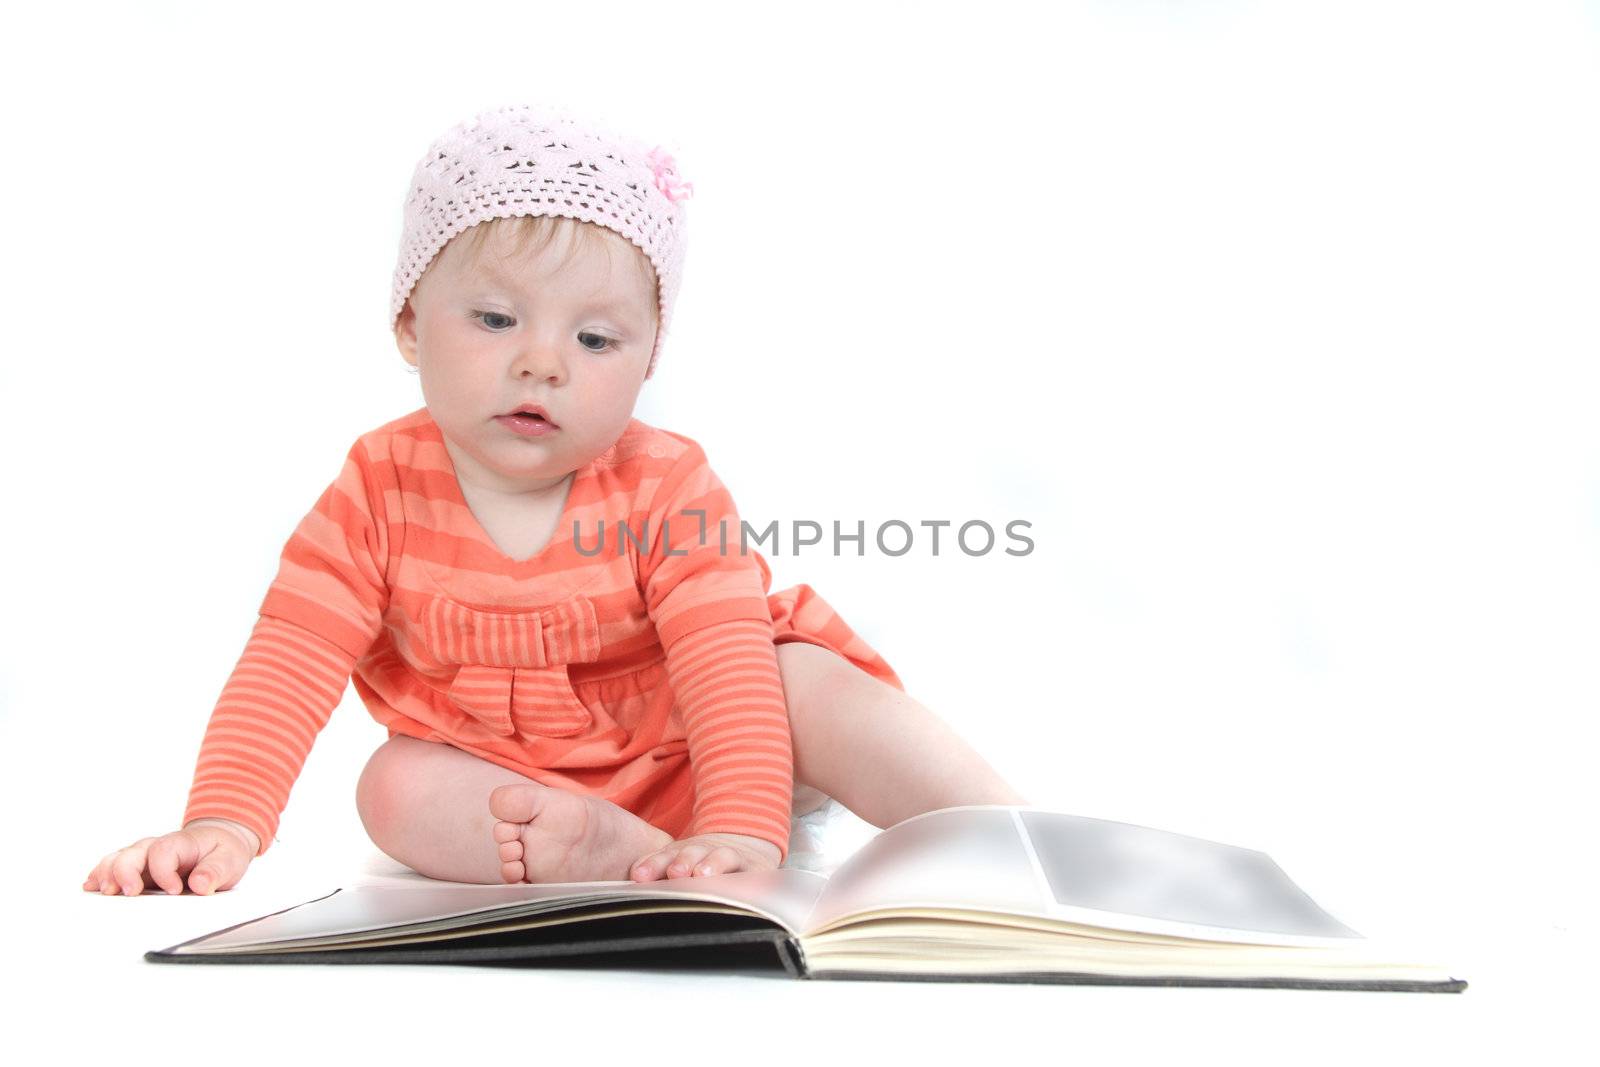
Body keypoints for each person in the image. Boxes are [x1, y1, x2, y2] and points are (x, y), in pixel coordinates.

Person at [83, 104, 1028, 897]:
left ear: (646, 361)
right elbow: (291, 654)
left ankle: (1004, 829)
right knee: (393, 785)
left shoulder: (666, 483)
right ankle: (609, 851)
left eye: (597, 339)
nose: (543, 360)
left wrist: (741, 825)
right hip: (521, 788)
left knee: (802, 678)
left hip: (720, 751)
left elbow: (721, 657)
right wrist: (226, 819)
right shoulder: (377, 487)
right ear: (411, 323)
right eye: (495, 320)